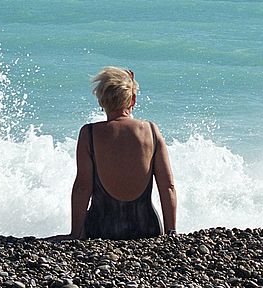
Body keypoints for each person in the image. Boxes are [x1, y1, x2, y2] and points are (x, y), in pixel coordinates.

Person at [49, 67, 177, 241]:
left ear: (101, 101)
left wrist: (75, 234)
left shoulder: (90, 134)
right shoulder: (151, 131)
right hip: (146, 228)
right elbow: (167, 186)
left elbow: (82, 187)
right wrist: (171, 233)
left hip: (101, 229)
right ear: (132, 100)